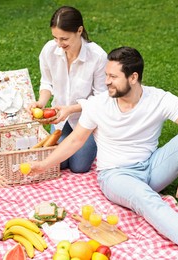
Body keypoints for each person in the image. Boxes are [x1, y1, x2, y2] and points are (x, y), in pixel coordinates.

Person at [31, 47, 178, 259]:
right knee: (147, 200)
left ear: (133, 77)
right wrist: (44, 164)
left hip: (151, 167)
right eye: (106, 75)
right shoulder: (98, 105)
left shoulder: (159, 99)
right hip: (115, 176)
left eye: (113, 76)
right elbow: (75, 140)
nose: (106, 82)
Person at [29, 6, 107, 173]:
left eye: (64, 39)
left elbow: (102, 97)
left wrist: (71, 109)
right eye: (55, 38)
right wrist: (41, 102)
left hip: (87, 119)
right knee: (59, 164)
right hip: (60, 119)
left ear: (79, 31)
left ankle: (97, 142)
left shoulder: (98, 56)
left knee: (79, 167)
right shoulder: (49, 50)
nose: (59, 44)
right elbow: (46, 82)